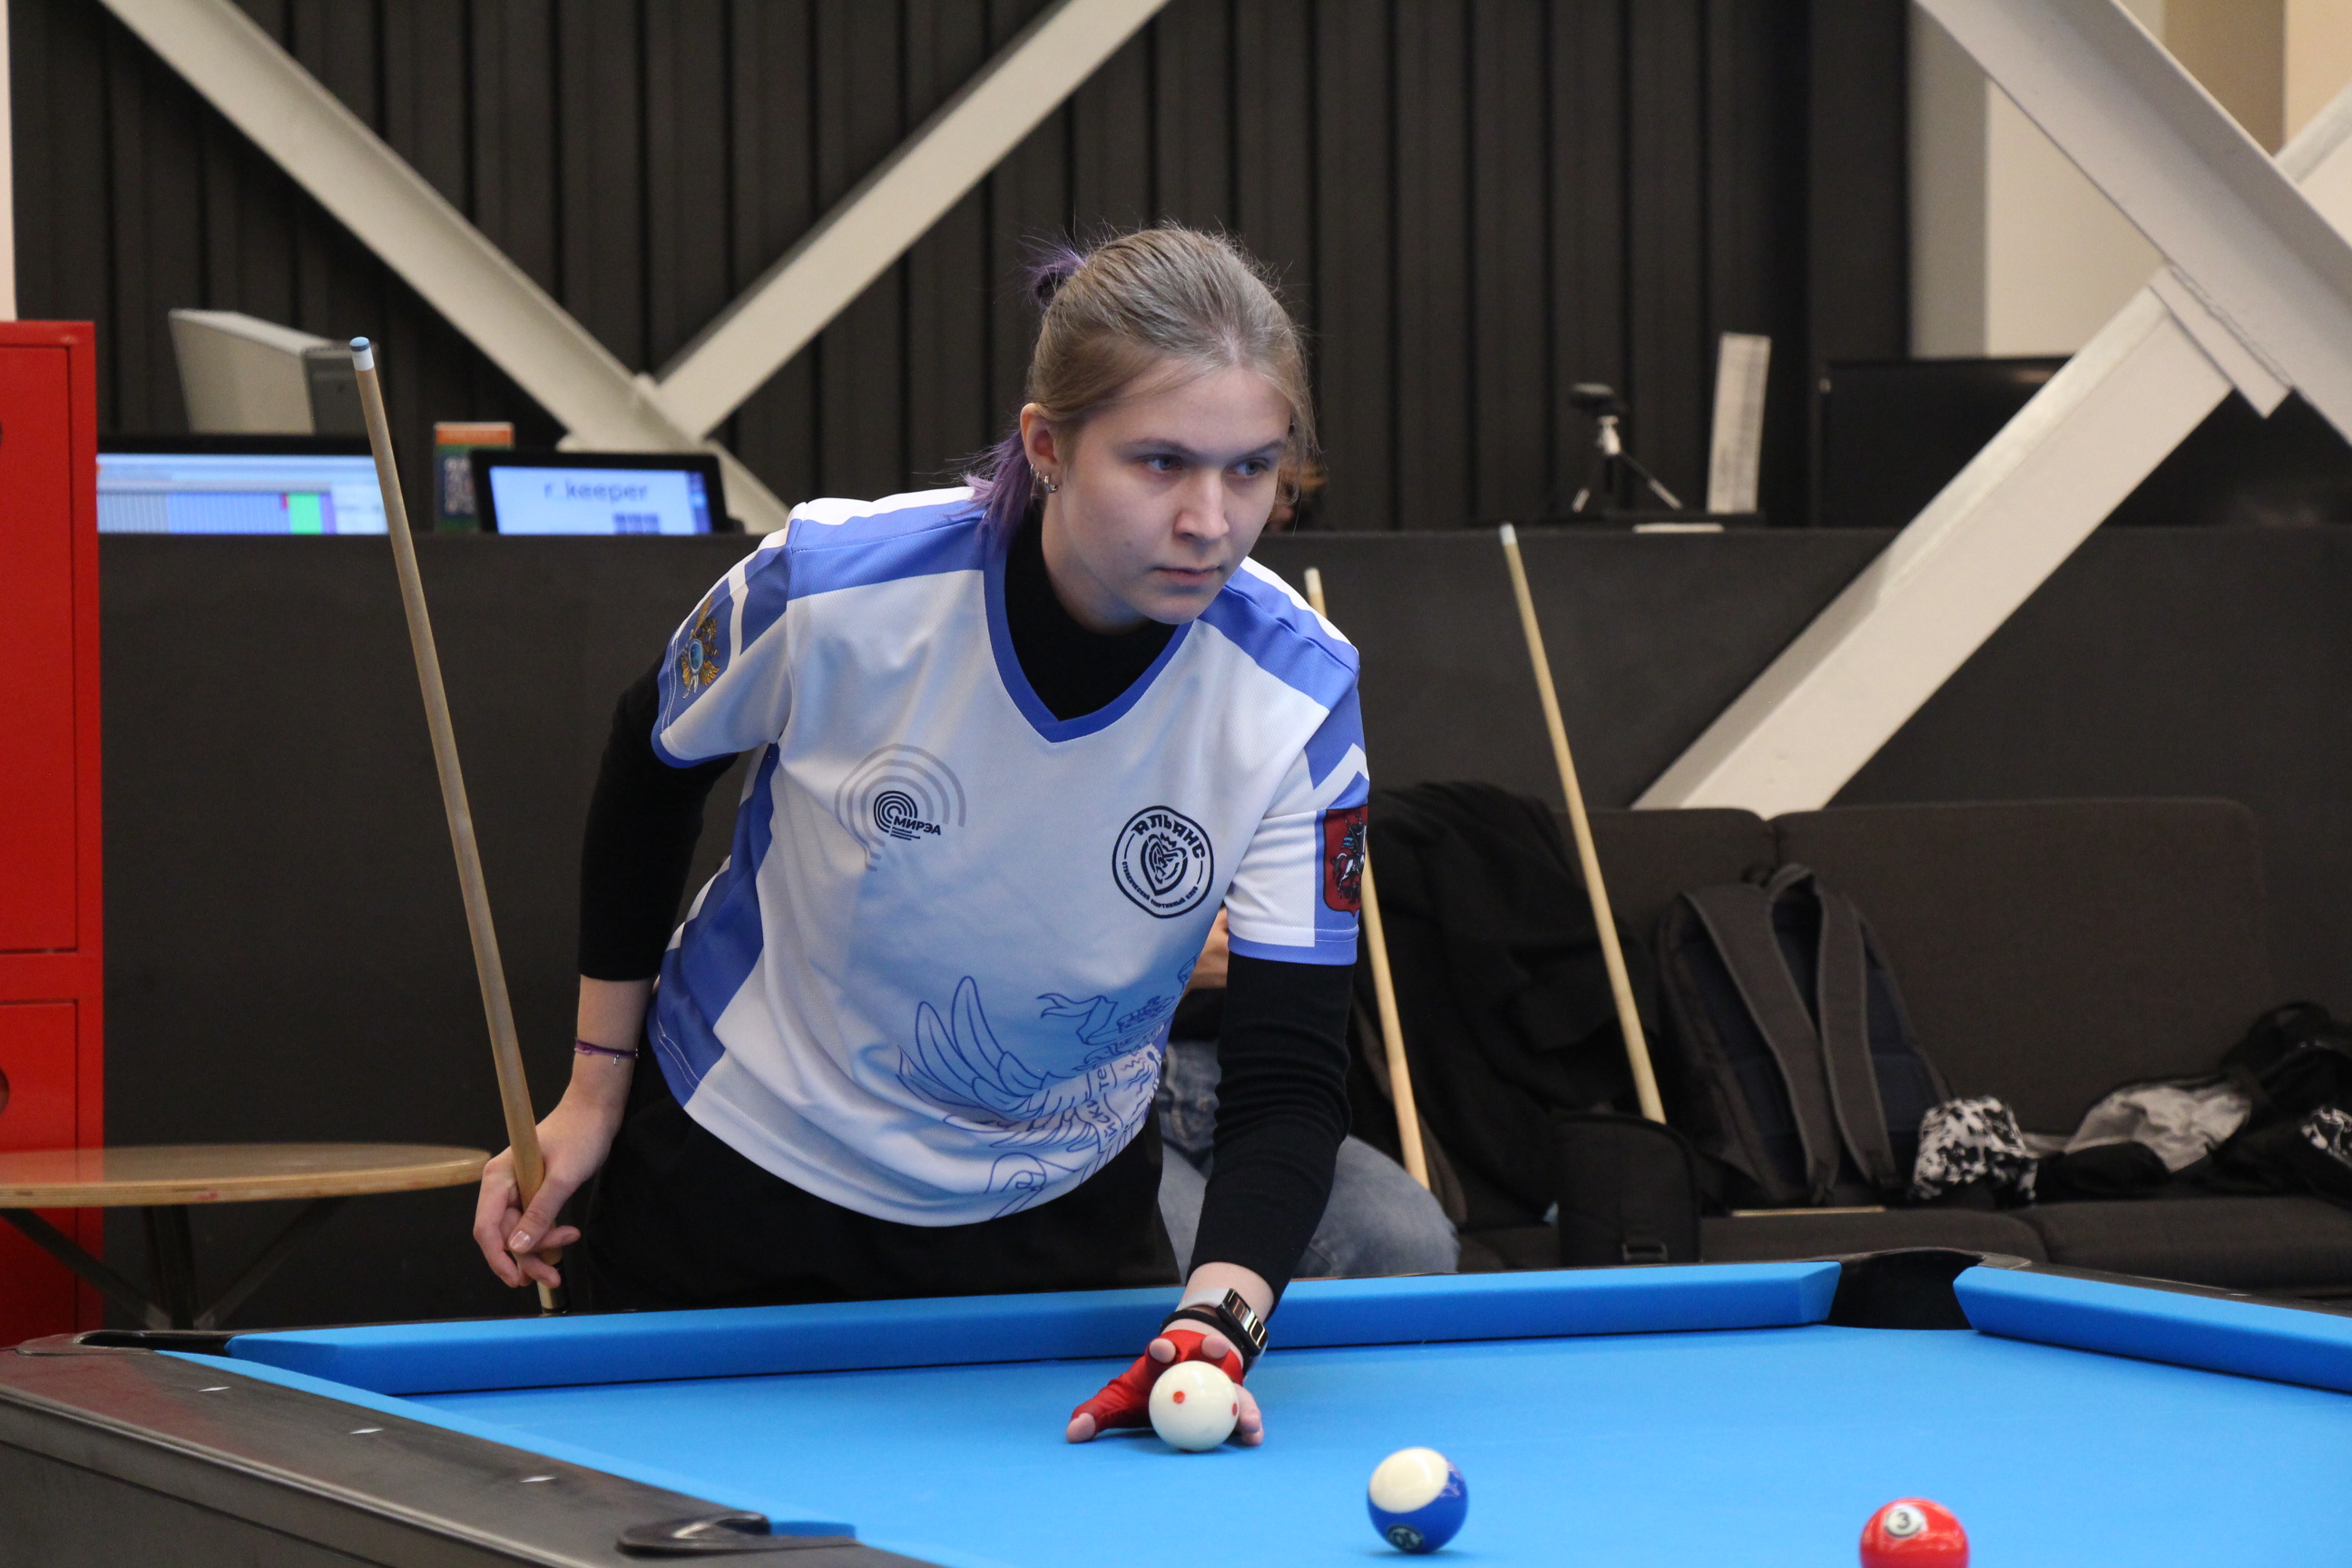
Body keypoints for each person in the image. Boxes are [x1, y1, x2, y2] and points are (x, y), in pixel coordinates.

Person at [471, 226, 1368, 1446]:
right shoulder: (833, 585)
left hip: (1059, 1219)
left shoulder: (1301, 695)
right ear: (1047, 446)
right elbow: (651, 758)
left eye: (1252, 469)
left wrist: (1223, 1317)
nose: (1212, 519)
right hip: (741, 1183)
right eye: (1161, 463)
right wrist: (591, 1092)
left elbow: (1291, 1075)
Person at [1158, 909, 1459, 1278]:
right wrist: (1168, 971)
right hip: (1105, 1089)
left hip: (1255, 1071)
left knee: (1410, 1241)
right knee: (1183, 1263)